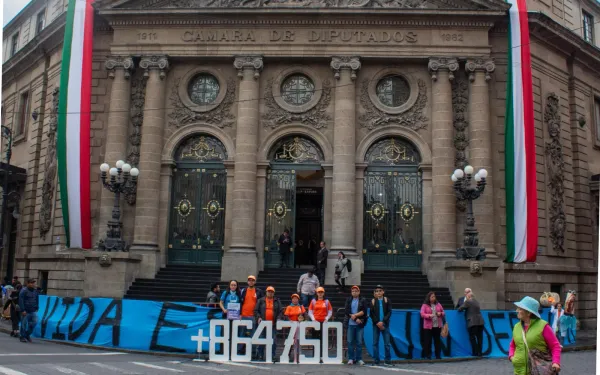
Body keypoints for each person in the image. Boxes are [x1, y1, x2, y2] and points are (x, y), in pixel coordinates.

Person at [509, 296, 561, 375]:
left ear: (529, 313)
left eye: (520, 309)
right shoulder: (517, 327)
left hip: (538, 371)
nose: (517, 311)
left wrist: (556, 362)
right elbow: (512, 345)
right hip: (519, 371)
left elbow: (555, 346)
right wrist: (512, 357)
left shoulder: (543, 326)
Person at [254, 286, 282, 362]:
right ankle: (260, 355)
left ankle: (272, 355)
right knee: (262, 340)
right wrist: (258, 317)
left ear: (273, 293)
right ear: (266, 292)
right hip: (263, 324)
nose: (270, 293)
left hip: (273, 325)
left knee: (273, 340)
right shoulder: (260, 300)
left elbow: (280, 311)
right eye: (269, 291)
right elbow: (256, 310)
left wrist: (279, 318)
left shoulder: (277, 301)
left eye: (272, 292)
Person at [240, 275, 264, 358]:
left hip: (253, 316)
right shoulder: (243, 290)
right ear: (247, 282)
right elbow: (240, 302)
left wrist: (259, 315)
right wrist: (239, 314)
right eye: (249, 280)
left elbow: (261, 304)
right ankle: (240, 351)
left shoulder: (258, 291)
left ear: (255, 282)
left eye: (252, 280)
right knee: (242, 334)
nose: (251, 282)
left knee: (253, 334)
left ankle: (253, 352)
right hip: (243, 315)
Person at [344, 285, 368, 366]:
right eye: (353, 291)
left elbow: (364, 311)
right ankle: (351, 358)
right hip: (350, 324)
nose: (354, 292)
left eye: (356, 291)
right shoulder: (349, 299)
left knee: (359, 342)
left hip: (359, 324)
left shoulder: (363, 300)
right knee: (350, 342)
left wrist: (355, 316)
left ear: (359, 292)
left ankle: (359, 359)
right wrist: (355, 318)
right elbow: (347, 311)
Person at [369, 284, 392, 366]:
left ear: (383, 292)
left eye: (380, 291)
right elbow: (371, 314)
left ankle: (387, 361)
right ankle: (376, 360)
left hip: (385, 325)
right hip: (376, 325)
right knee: (375, 343)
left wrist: (383, 322)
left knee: (387, 344)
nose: (378, 292)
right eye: (377, 291)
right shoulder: (373, 301)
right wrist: (377, 322)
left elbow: (389, 312)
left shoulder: (387, 300)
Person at [308, 286, 333, 361]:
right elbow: (310, 311)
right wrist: (313, 319)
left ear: (324, 293)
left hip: (323, 323)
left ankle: (322, 356)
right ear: (317, 293)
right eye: (319, 292)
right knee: (315, 339)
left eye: (321, 292)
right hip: (315, 323)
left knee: (323, 340)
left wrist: (326, 318)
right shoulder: (313, 301)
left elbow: (330, 311)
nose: (320, 294)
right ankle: (315, 356)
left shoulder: (327, 301)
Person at [458, 291, 484, 357]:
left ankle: (475, 352)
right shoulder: (476, 301)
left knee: (472, 338)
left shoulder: (468, 301)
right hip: (480, 322)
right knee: (479, 338)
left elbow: (460, 308)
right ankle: (480, 353)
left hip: (472, 322)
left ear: (468, 296)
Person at [420, 291, 445, 360]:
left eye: (434, 296)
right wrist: (429, 315)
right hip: (428, 327)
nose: (434, 298)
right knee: (428, 342)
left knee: (437, 341)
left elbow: (443, 312)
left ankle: (438, 355)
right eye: (432, 297)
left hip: (437, 326)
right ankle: (428, 355)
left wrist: (440, 313)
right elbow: (422, 314)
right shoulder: (424, 305)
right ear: (429, 298)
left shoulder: (438, 304)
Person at [284, 294, 307, 363]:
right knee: (290, 341)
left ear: (298, 299)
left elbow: (305, 314)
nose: (295, 300)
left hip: (299, 326)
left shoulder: (301, 306)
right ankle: (287, 355)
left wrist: (304, 321)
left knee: (299, 341)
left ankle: (299, 355)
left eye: (296, 298)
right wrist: (289, 320)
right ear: (292, 299)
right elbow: (286, 316)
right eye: (293, 298)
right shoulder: (289, 307)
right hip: (291, 326)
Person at [18, 279, 39, 343]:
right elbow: (21, 300)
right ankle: (22, 337)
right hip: (25, 310)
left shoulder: (35, 291)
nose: (33, 284)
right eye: (32, 283)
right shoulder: (24, 291)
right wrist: (23, 310)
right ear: (28, 283)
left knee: (35, 322)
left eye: (34, 283)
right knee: (23, 324)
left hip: (33, 310)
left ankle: (27, 334)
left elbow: (37, 299)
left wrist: (37, 307)